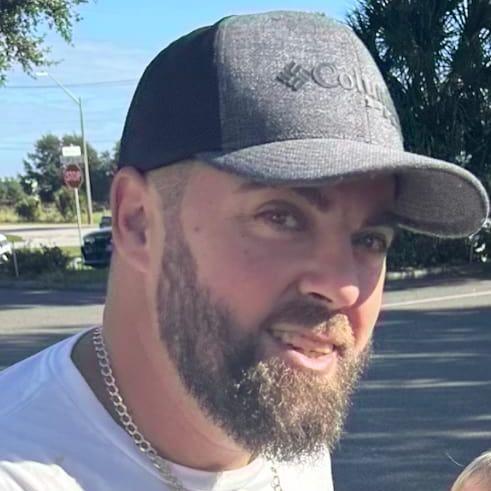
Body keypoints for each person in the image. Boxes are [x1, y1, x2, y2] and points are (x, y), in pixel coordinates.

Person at [0, 10, 488, 491]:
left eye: (370, 239)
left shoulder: (278, 429)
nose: (341, 286)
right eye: (281, 217)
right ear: (137, 220)